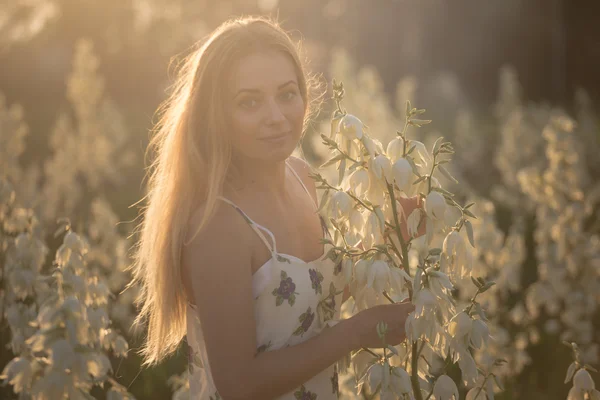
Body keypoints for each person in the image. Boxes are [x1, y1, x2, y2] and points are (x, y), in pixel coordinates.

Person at [129, 15, 420, 399]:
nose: (277, 117)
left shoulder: (304, 178)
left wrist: (390, 233)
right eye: (249, 102)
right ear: (215, 114)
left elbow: (308, 303)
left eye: (287, 94)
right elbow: (238, 384)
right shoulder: (217, 226)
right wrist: (357, 332)